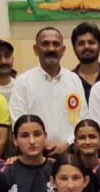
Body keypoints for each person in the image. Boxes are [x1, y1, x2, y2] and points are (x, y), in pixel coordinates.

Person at [9, 27, 88, 156]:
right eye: (45, 44)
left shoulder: (74, 80)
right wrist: (43, 142)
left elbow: (83, 117)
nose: (51, 49)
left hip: (70, 153)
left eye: (56, 44)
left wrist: (67, 144)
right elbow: (18, 120)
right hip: (35, 154)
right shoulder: (23, 81)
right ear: (36, 49)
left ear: (63, 50)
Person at [71, 22, 100, 103]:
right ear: (74, 48)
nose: (86, 46)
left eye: (91, 42)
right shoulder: (69, 80)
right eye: (81, 43)